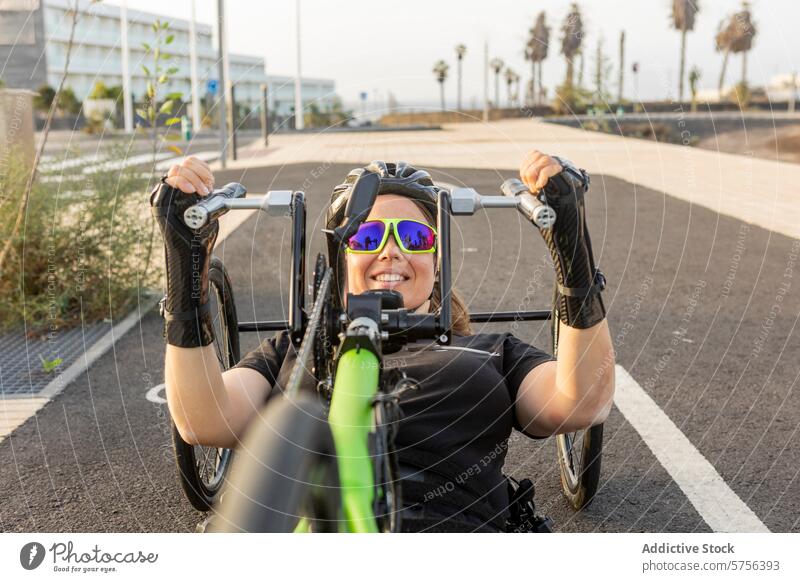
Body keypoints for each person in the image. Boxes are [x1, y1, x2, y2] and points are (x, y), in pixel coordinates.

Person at [149, 153, 615, 532]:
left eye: (414, 237)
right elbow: (201, 419)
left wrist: (573, 254)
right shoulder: (291, 350)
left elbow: (581, 400)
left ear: (436, 263)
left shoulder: (490, 352)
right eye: (368, 235)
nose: (391, 251)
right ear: (341, 259)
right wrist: (184, 271)